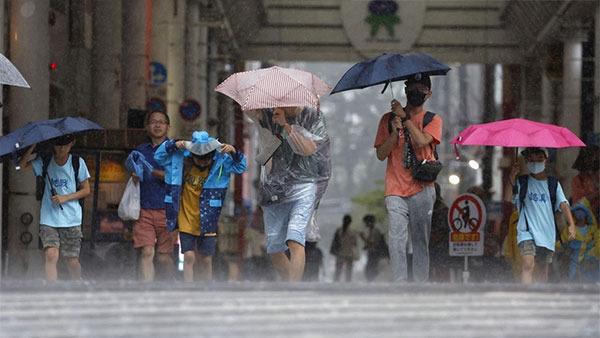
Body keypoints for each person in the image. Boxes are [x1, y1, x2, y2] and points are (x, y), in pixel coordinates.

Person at [246, 106, 330, 282]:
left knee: (295, 238)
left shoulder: (312, 117)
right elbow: (248, 110)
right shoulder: (270, 113)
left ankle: (294, 288)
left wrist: (286, 125)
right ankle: (290, 282)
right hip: (275, 188)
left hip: (304, 186)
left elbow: (308, 149)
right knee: (274, 248)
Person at [374, 74, 442, 282]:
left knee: (420, 241)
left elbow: (422, 141)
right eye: (412, 87)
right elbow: (380, 154)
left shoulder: (433, 119)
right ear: (405, 90)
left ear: (428, 94)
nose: (415, 92)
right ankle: (400, 283)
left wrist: (405, 118)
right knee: (396, 239)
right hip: (395, 189)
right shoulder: (387, 120)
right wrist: (394, 133)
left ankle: (420, 284)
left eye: (421, 89)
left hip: (422, 189)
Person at [154, 130, 246, 282]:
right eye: (199, 159)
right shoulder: (180, 160)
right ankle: (188, 288)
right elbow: (159, 156)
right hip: (186, 218)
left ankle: (207, 288)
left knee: (206, 258)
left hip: (208, 218)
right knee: (189, 256)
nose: (203, 162)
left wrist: (234, 151)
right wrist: (173, 144)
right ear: (192, 155)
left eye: (206, 159)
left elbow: (240, 166)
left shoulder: (221, 162)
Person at [18, 135, 91, 281]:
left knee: (71, 260)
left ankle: (78, 282)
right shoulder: (45, 160)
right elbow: (21, 167)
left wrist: (66, 197)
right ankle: (53, 289)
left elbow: (86, 190)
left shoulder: (77, 162)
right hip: (49, 217)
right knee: (51, 254)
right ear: (53, 145)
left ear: (72, 143)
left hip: (71, 218)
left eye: (65, 145)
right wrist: (32, 147)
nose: (61, 148)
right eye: (58, 145)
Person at [504, 147, 576, 284]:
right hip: (526, 232)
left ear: (545, 161)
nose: (535, 163)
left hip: (546, 233)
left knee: (543, 269)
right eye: (531, 160)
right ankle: (527, 296)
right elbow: (508, 198)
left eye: (539, 159)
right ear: (525, 162)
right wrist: (512, 176)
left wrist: (571, 224)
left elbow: (563, 205)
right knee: (528, 263)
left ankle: (541, 296)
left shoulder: (553, 184)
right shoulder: (522, 182)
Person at [127, 110, 176, 282]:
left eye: (161, 122)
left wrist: (152, 171)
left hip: (167, 209)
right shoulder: (141, 150)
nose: (157, 125)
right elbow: (136, 172)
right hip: (143, 208)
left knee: (163, 257)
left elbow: (173, 177)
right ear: (147, 128)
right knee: (147, 251)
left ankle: (171, 284)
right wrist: (135, 174)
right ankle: (146, 290)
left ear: (168, 127)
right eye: (153, 122)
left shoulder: (174, 150)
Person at [556, 200, 599, 283]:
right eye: (577, 211)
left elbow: (598, 245)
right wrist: (554, 247)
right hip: (574, 262)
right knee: (574, 282)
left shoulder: (593, 230)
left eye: (582, 211)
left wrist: (592, 254)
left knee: (591, 283)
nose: (579, 213)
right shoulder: (569, 230)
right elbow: (561, 243)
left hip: (590, 264)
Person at [571, 144, 599, 219]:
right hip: (587, 220)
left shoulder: (595, 177)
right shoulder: (578, 180)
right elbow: (577, 203)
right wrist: (596, 195)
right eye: (593, 157)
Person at [359, 214, 388, 281]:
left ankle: (372, 281)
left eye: (366, 222)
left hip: (375, 254)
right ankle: (371, 281)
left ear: (369, 222)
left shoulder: (375, 231)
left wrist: (363, 237)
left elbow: (372, 242)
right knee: (371, 268)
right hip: (374, 253)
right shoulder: (372, 230)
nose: (365, 224)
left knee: (371, 268)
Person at [331, 215, 358, 282]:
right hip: (349, 253)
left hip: (340, 252)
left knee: (338, 270)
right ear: (350, 222)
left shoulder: (339, 230)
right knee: (349, 271)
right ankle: (348, 283)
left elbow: (335, 241)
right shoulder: (353, 232)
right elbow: (355, 244)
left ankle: (336, 283)